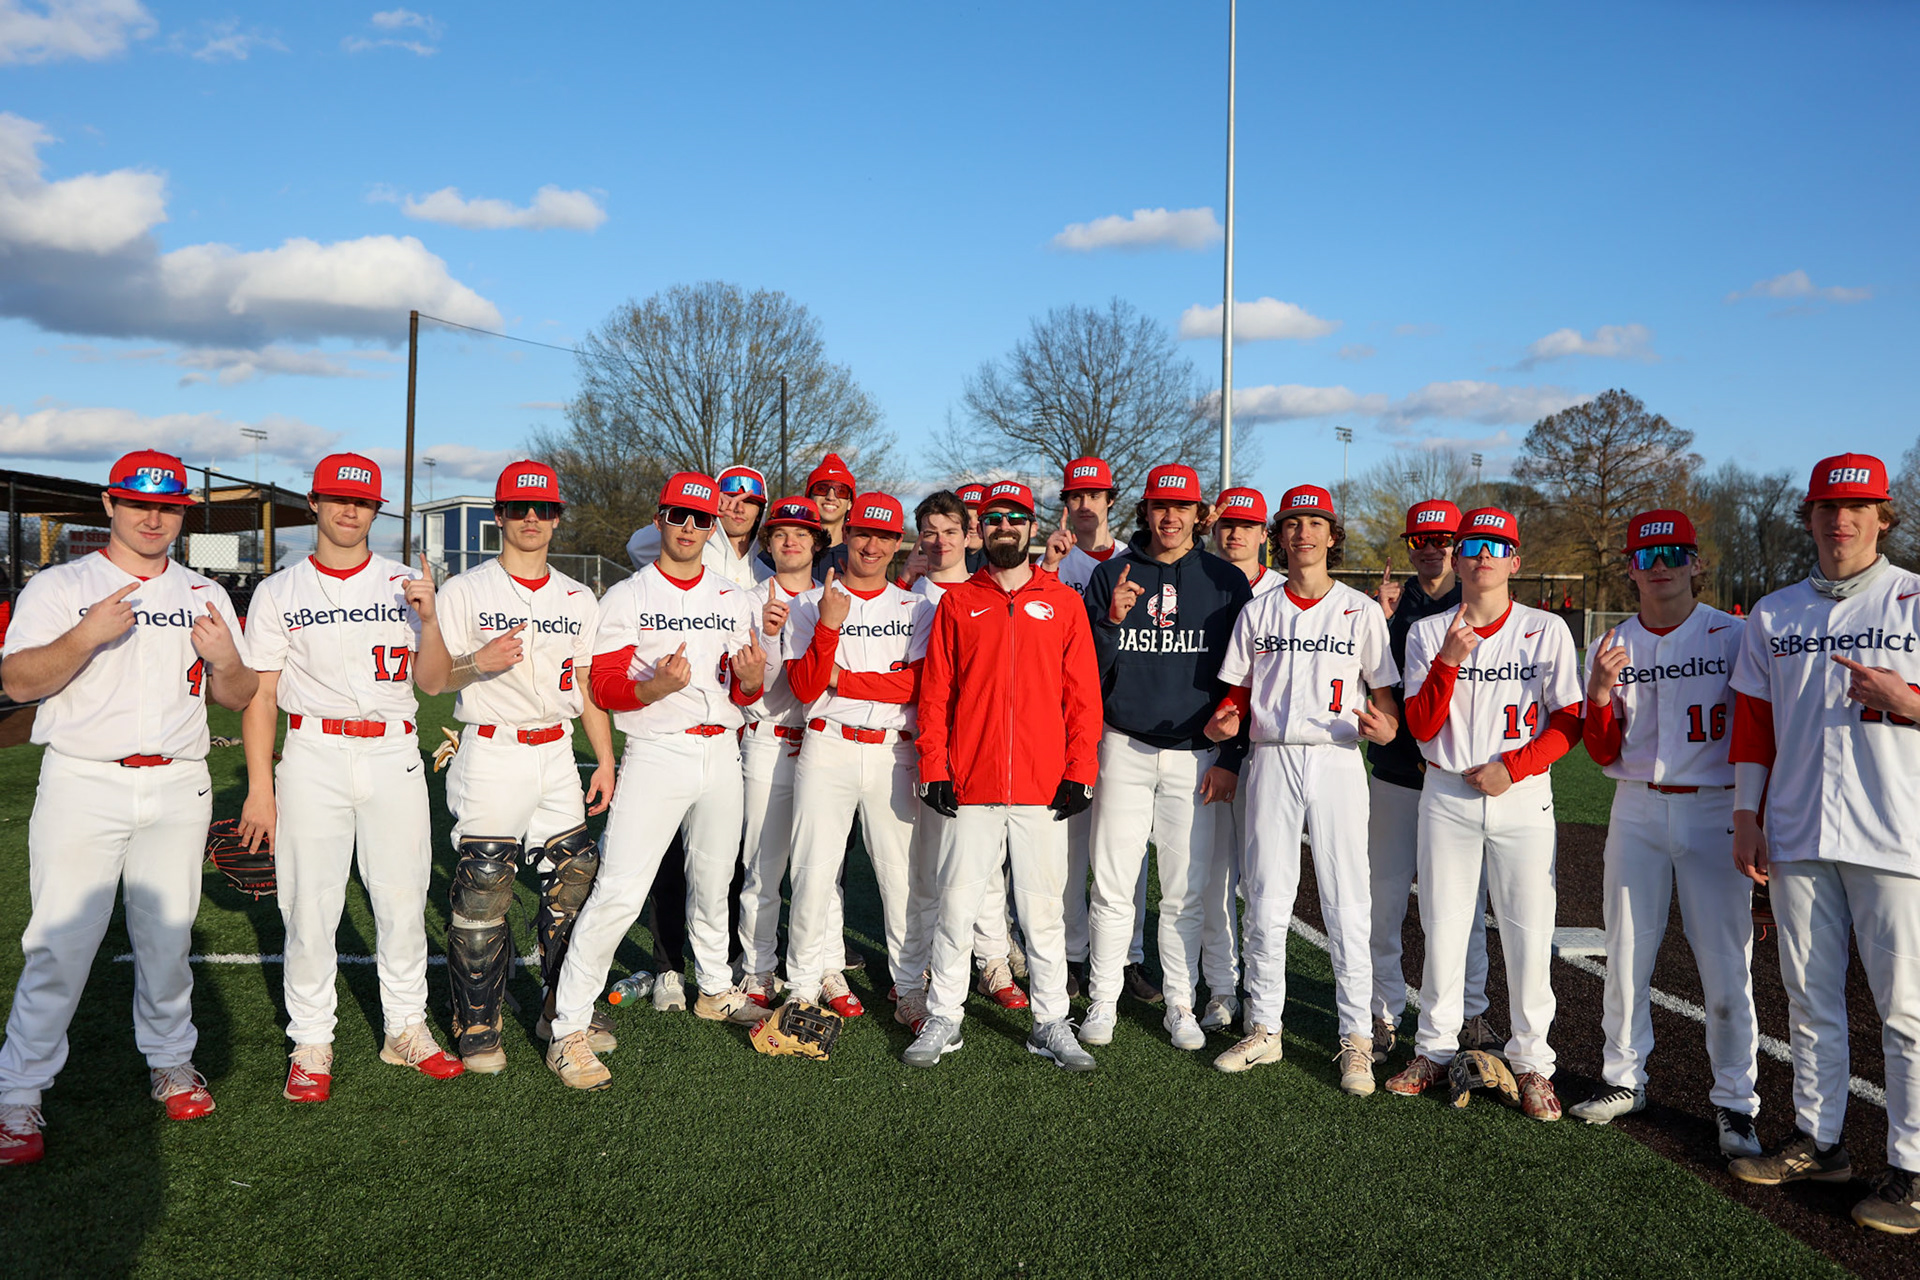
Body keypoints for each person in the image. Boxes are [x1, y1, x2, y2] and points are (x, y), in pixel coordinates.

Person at [0, 451, 256, 1165]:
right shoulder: (62, 586)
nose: (153, 517)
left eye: (169, 506)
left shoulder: (204, 589)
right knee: (58, 945)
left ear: (182, 514)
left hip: (178, 782)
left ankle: (171, 1062)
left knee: (168, 940)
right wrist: (85, 635)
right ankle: (17, 1094)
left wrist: (225, 658)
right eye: (139, 503)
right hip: (85, 780)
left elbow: (235, 696)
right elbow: (17, 682)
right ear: (109, 505)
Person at [1726, 453, 1920, 1235]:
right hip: (1799, 828)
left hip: (1896, 833)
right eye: (1826, 508)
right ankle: (1821, 1139)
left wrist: (1907, 699)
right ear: (1808, 518)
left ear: (1883, 517)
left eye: (1858, 507)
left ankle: (1911, 1168)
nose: (1840, 520)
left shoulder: (1914, 598)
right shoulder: (1774, 612)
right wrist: (1747, 812)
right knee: (1808, 998)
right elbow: (1753, 724)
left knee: (1905, 1009)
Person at [238, 453, 464, 1102]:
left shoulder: (406, 582)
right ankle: (312, 1039)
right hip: (313, 752)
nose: (348, 510)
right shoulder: (281, 591)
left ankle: (406, 1028)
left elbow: (432, 684)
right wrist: (260, 787)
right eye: (336, 498)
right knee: (309, 902)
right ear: (313, 503)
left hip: (393, 751)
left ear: (376, 510)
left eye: (361, 502)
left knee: (399, 899)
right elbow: (260, 695)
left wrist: (427, 620)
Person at [547, 472, 771, 1091]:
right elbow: (606, 686)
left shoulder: (732, 596)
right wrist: (655, 688)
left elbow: (746, 688)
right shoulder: (627, 595)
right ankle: (568, 1026)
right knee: (620, 887)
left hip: (722, 750)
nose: (691, 528)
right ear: (661, 517)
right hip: (657, 752)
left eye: (702, 518)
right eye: (679, 516)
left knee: (713, 876)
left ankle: (715, 990)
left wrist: (752, 682)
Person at [1568, 508, 1761, 1156]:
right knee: (1625, 951)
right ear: (1629, 568)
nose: (1660, 569)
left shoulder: (1734, 636)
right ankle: (1624, 1079)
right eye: (1646, 558)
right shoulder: (1610, 644)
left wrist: (1756, 821)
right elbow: (1600, 750)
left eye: (1672, 555)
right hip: (1638, 805)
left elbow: (1762, 735)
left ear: (1696, 562)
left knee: (1726, 961)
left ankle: (1736, 1102)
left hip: (1715, 807)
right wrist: (1598, 693)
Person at [1385, 508, 1582, 1121]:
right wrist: (1448, 658)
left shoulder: (1545, 628)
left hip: (1521, 794)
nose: (1483, 554)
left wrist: (1515, 767)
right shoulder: (1428, 632)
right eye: (1473, 544)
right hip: (1446, 790)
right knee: (1443, 926)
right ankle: (1435, 1048)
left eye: (1498, 545)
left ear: (1515, 561)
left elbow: (1569, 720)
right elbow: (1419, 727)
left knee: (1527, 931)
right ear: (1459, 556)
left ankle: (1532, 1063)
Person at [1204, 486, 1398, 1092]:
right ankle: (1264, 1027)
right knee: (1264, 896)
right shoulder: (1258, 610)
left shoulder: (1360, 610)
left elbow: (1386, 701)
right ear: (1278, 536)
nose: (1303, 534)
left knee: (1348, 900)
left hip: (1338, 761)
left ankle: (1356, 1039)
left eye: (1314, 524)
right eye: (1292, 525)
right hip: (1270, 757)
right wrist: (1221, 723)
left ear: (1331, 536)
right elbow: (1233, 695)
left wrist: (1385, 728)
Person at [429, 460, 618, 1074]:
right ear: (498, 515)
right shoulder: (466, 590)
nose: (531, 518)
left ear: (558, 517)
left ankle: (565, 1007)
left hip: (557, 750)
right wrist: (475, 664)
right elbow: (430, 679)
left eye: (543, 509)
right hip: (491, 748)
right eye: (518, 508)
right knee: (486, 880)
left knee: (578, 871)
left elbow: (587, 684)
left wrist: (606, 758)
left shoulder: (576, 595)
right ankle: (477, 1019)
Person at [907, 479, 1102, 1070]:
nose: (1004, 529)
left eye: (1014, 519)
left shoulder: (1064, 602)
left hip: (1043, 786)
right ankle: (944, 1014)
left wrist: (1080, 769)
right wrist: (934, 766)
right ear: (978, 531)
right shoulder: (957, 603)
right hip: (972, 783)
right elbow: (936, 696)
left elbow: (1082, 697)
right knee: (956, 905)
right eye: (992, 521)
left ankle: (1050, 1022)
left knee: (1042, 910)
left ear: (1031, 527)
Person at [1079, 465, 1252, 1051]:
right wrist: (1112, 622)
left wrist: (1230, 753)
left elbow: (1243, 678)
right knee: (1113, 883)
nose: (1170, 518)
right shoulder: (1111, 575)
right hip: (1123, 746)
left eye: (1182, 508)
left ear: (1200, 514)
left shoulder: (1227, 581)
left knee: (1185, 887)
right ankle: (1103, 998)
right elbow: (1087, 676)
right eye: (1159, 506)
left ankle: (1181, 999)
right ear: (1144, 510)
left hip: (1196, 755)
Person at [782, 493, 932, 1018]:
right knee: (813, 872)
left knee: (902, 877)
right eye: (863, 533)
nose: (872, 545)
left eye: (885, 536)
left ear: (898, 544)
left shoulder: (917, 606)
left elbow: (915, 685)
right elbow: (803, 687)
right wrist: (828, 625)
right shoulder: (809, 603)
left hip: (893, 753)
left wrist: (843, 678)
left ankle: (910, 987)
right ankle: (802, 987)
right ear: (846, 535)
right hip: (827, 744)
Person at [1365, 501, 1497, 1062]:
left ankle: (1470, 1013)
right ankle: (1382, 1009)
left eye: (1442, 538)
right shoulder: (1390, 607)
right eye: (1419, 539)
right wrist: (1381, 617)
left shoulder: (1486, 602)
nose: (1431, 548)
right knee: (1385, 899)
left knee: (1465, 907)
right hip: (1398, 770)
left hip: (1460, 777)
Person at [892, 491, 1029, 1031]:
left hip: (982, 748)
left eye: (950, 531)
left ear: (969, 535)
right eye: (930, 531)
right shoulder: (909, 596)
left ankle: (992, 960)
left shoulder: (987, 589)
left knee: (990, 866)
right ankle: (920, 966)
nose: (940, 541)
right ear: (920, 537)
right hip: (918, 747)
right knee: (926, 868)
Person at [1036, 456, 1150, 999]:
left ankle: (1128, 958)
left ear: (1110, 500)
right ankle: (1073, 954)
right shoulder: (1054, 562)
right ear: (1067, 503)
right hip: (1061, 717)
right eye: (1075, 496)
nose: (1085, 505)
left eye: (1095, 495)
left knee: (1128, 851)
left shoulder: (1135, 560)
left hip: (1123, 718)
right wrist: (1049, 568)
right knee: (1069, 843)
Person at [737, 497, 828, 1006]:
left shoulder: (833, 599)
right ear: (767, 544)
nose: (790, 540)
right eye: (779, 534)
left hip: (823, 743)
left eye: (801, 533)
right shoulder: (745, 600)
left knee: (821, 872)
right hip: (768, 742)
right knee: (763, 869)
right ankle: (757, 969)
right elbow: (759, 688)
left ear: (818, 542)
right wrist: (770, 638)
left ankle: (818, 969)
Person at [1197, 485, 1280, 1032]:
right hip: (1207, 745)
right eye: (1227, 523)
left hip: (1266, 755)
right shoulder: (1196, 581)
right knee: (1213, 875)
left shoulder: (1279, 590)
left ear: (1262, 533)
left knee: (1264, 883)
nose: (1235, 533)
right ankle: (1221, 987)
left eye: (1246, 525)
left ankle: (1261, 988)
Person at [807, 453, 857, 578]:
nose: (830, 497)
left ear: (850, 503)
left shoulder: (861, 556)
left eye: (841, 491)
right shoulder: (788, 551)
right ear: (809, 498)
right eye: (822, 488)